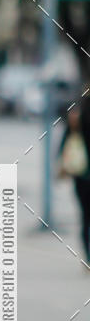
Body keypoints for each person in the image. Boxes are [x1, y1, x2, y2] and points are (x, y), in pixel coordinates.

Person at [58, 102, 90, 265]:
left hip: (82, 176)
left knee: (85, 217)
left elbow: (63, 146)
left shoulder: (76, 115)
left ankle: (88, 257)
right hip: (83, 176)